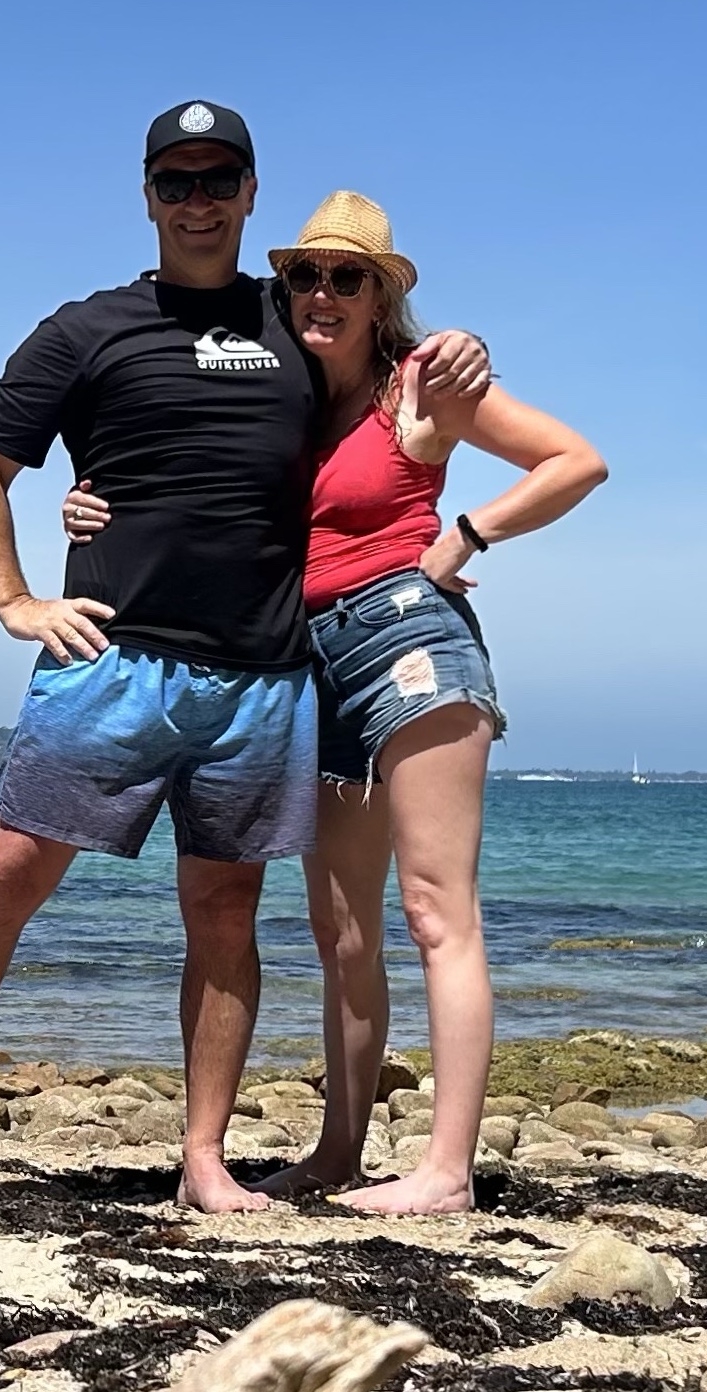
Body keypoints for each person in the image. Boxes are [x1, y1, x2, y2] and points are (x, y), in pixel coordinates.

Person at [0, 105, 488, 1211]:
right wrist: (15, 599)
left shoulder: (294, 317)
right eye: (176, 181)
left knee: (224, 909)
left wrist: (464, 357)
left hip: (263, 675)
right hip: (112, 657)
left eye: (218, 179)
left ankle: (204, 1156)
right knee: (7, 876)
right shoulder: (88, 328)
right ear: (148, 195)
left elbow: (386, 366)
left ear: (251, 192)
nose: (197, 201)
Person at [63, 190, 607, 1213]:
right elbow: (189, 487)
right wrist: (92, 502)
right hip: (306, 660)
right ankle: (340, 1151)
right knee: (342, 929)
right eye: (306, 274)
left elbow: (576, 460)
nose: (323, 292)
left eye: (347, 276)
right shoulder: (277, 394)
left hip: (408, 642)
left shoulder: (424, 383)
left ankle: (447, 1171)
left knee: (436, 908)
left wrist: (468, 534)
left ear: (379, 296)